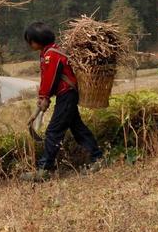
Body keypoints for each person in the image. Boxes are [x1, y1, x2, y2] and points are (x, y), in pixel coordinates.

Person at [21, 22, 103, 182]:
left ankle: (43, 170)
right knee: (78, 128)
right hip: (66, 95)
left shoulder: (52, 55)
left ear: (36, 39)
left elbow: (50, 78)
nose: (29, 44)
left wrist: (44, 96)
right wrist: (43, 98)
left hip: (67, 95)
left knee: (53, 131)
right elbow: (48, 79)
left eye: (29, 40)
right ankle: (98, 158)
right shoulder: (49, 52)